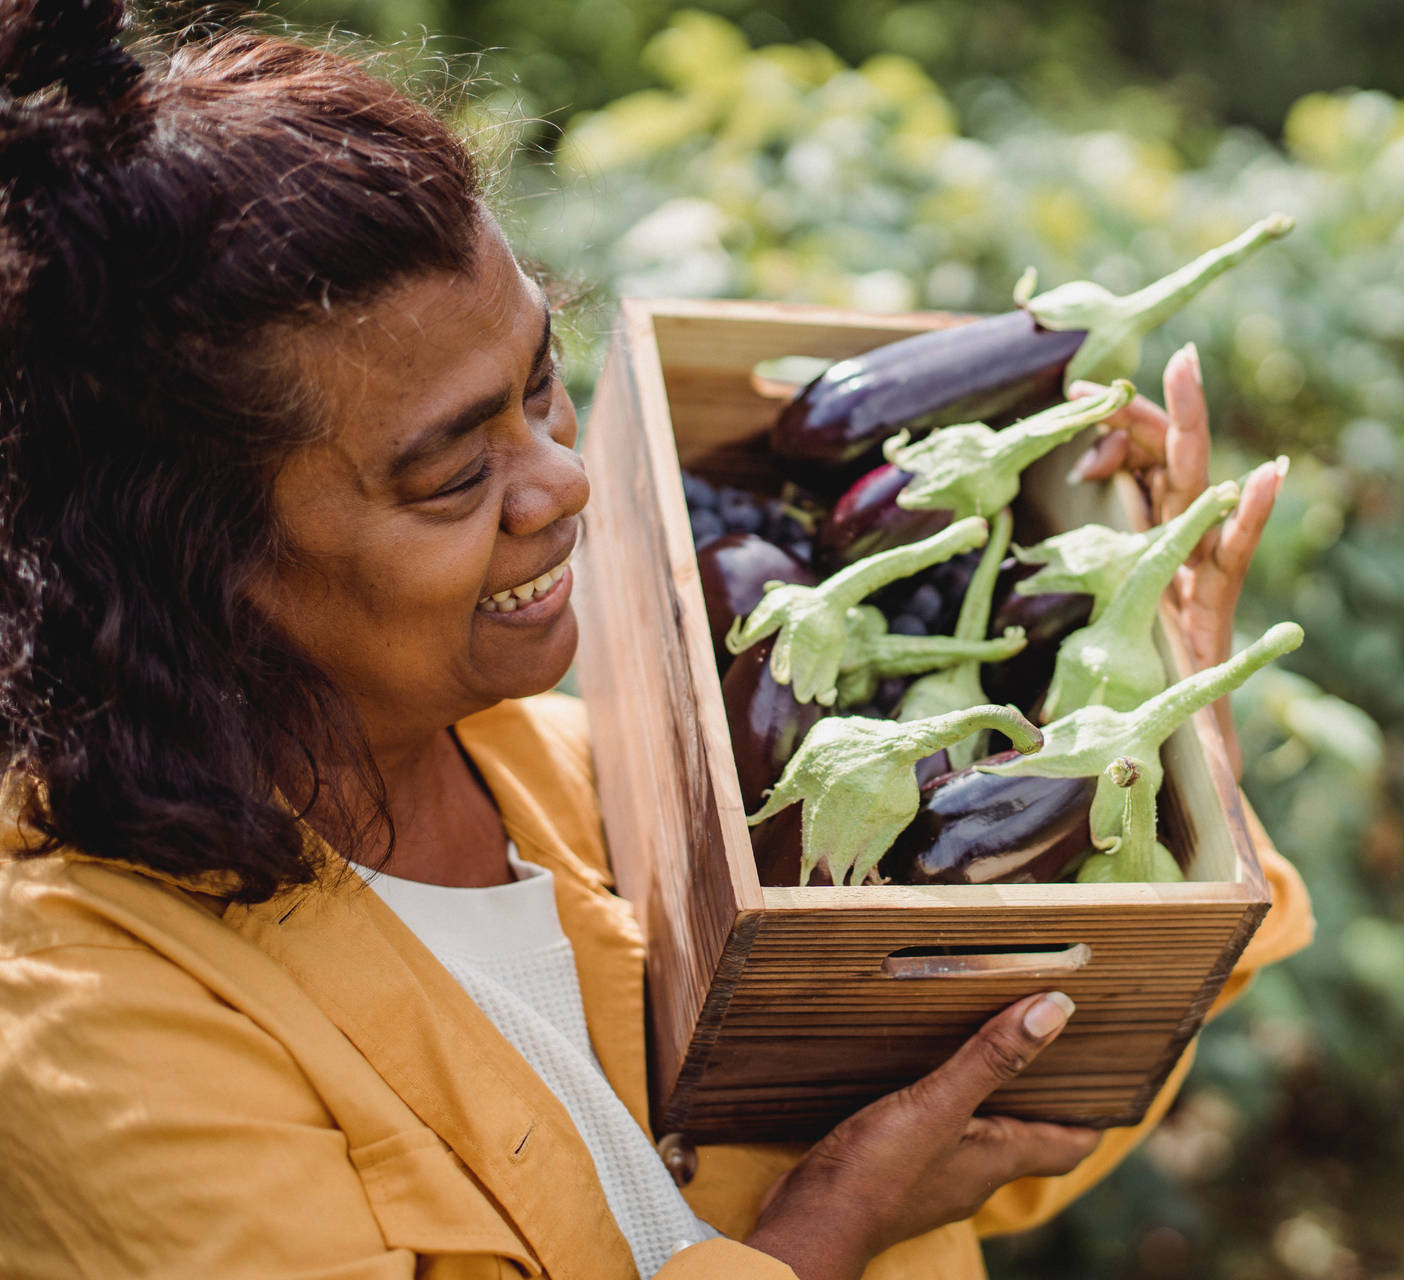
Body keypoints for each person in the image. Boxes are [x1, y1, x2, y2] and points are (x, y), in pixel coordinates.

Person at [0, 2, 1311, 1277]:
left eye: (538, 385)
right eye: (455, 475)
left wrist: (1185, 784)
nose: (563, 482)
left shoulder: (609, 773)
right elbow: (869, 1180)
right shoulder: (80, 1023)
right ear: (188, 569)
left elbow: (1017, 1125)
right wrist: (824, 1234)